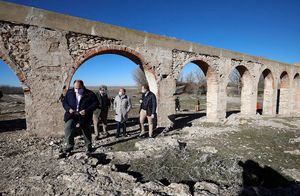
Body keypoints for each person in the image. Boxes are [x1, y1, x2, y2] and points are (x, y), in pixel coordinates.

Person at [62, 80, 99, 154]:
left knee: (86, 130)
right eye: (75, 88)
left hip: (85, 115)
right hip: (71, 114)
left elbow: (95, 103)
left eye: (79, 88)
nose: (77, 90)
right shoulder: (69, 92)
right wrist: (68, 109)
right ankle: (69, 146)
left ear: (82, 86)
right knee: (68, 127)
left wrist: (87, 110)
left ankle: (88, 147)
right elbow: (64, 102)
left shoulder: (90, 93)